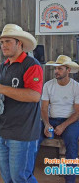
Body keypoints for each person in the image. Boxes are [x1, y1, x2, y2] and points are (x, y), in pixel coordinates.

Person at [0, 24, 43, 183]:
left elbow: (35, 96)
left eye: (8, 41)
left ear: (19, 43)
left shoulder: (32, 64)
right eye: (2, 42)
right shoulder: (2, 66)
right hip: (4, 128)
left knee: (21, 177)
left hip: (24, 132)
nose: (3, 46)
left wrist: (0, 87)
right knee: (8, 177)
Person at [36, 55, 79, 183]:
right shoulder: (48, 85)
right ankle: (26, 177)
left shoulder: (76, 87)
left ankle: (69, 180)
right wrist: (47, 124)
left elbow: (78, 113)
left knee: (71, 143)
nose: (56, 71)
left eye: (60, 69)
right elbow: (43, 109)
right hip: (51, 119)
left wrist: (63, 126)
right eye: (55, 68)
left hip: (70, 121)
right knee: (33, 138)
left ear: (68, 70)